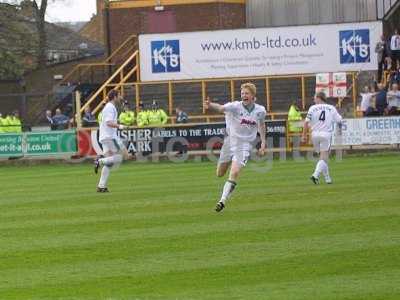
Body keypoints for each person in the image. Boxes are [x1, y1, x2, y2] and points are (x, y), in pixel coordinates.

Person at [204, 82, 266, 212]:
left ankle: (222, 201)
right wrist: (210, 105)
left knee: (235, 172)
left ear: (253, 95)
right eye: (242, 93)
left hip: (244, 146)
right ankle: (226, 187)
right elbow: (220, 108)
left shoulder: (260, 110)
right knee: (220, 173)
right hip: (230, 142)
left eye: (246, 93)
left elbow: (261, 125)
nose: (244, 95)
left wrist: (263, 142)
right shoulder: (235, 107)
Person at [301, 92, 342, 185]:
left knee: (322, 157)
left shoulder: (312, 108)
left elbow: (306, 123)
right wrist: (339, 131)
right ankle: (315, 175)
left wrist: (303, 135)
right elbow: (339, 120)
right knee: (324, 157)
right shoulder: (331, 108)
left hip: (314, 135)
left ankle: (328, 179)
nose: (314, 100)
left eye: (315, 98)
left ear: (319, 98)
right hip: (326, 134)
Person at [94, 90, 130, 193]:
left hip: (105, 136)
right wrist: (121, 126)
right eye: (119, 95)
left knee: (109, 163)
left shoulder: (109, 107)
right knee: (122, 157)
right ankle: (99, 161)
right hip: (110, 136)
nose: (120, 97)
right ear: (114, 97)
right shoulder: (110, 107)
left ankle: (101, 186)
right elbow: (109, 122)